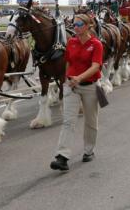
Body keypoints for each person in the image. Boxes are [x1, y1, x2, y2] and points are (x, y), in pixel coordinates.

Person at [50, 14, 103, 171]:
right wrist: (68, 79)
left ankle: (89, 151)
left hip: (91, 86)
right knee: (68, 121)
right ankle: (62, 157)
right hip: (71, 85)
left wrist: (79, 78)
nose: (76, 26)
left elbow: (95, 66)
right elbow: (68, 62)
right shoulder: (71, 42)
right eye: (74, 24)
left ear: (88, 26)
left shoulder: (96, 44)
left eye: (79, 24)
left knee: (91, 121)